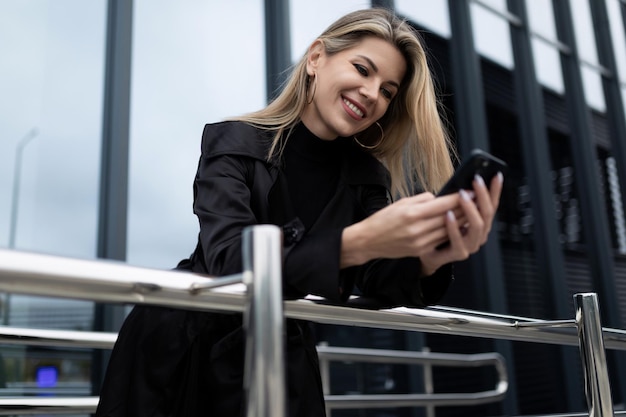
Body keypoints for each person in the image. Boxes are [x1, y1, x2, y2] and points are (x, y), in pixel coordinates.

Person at [95, 7, 503, 417]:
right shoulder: (233, 142)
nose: (372, 93)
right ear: (316, 58)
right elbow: (230, 259)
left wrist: (431, 261)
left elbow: (379, 278)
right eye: (362, 69)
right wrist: (356, 242)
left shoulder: (367, 177)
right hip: (180, 352)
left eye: (387, 91)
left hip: (282, 355)